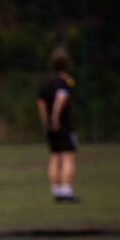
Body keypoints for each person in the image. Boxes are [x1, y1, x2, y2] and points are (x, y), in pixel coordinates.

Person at [36, 47, 80, 202]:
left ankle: (56, 191)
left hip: (50, 128)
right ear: (66, 65)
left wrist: (46, 123)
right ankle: (66, 191)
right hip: (63, 125)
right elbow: (61, 98)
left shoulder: (45, 84)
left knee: (55, 157)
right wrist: (55, 118)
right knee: (68, 157)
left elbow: (41, 104)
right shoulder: (63, 82)